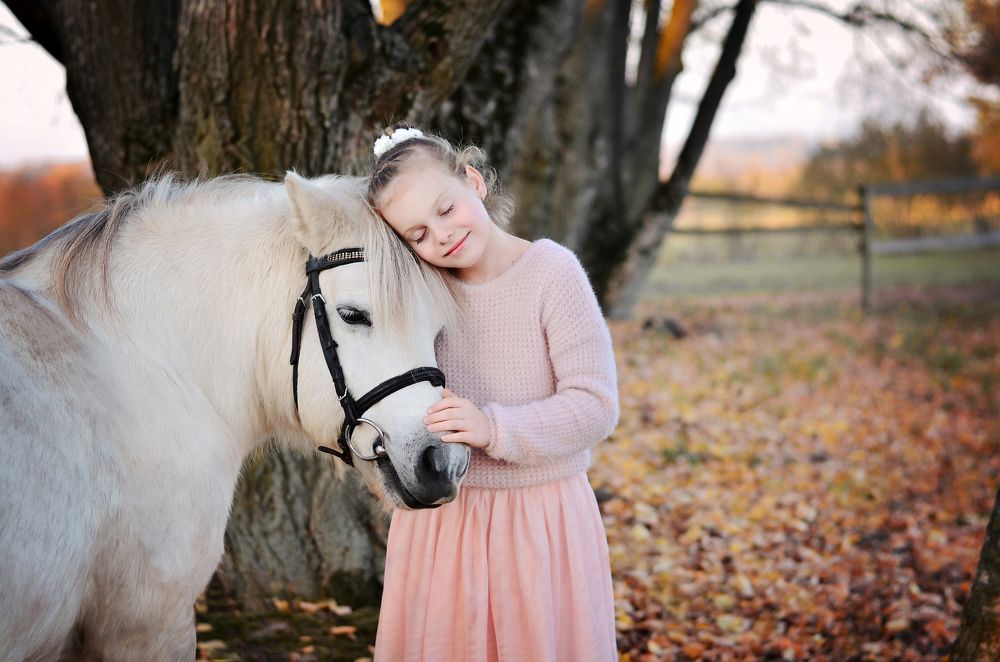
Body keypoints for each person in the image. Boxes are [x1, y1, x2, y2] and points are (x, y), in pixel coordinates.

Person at [366, 124, 620, 662]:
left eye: (445, 209)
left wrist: (493, 427)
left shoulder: (552, 273)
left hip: (538, 522)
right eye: (417, 234)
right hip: (443, 524)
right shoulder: (420, 296)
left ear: (474, 182)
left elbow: (596, 405)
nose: (440, 235)